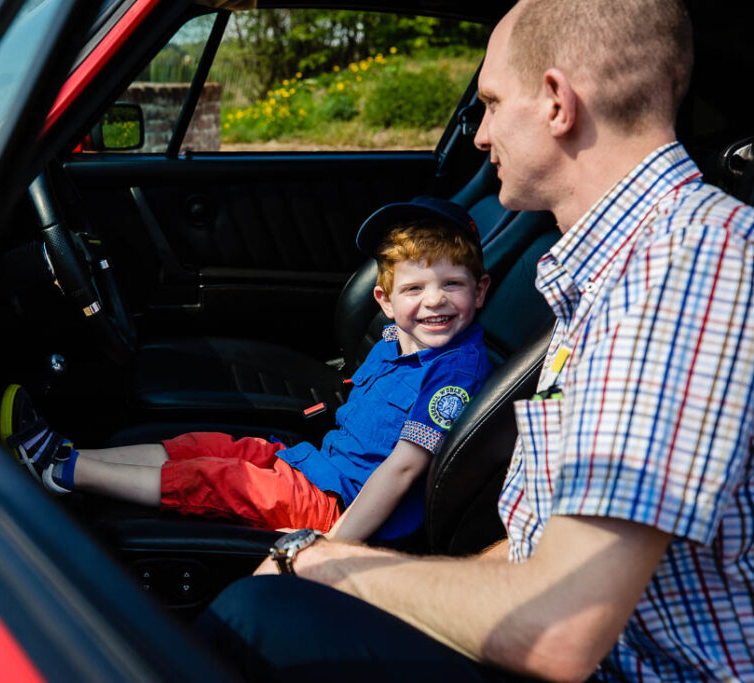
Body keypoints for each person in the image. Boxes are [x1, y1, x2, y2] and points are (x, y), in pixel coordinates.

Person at [198, 0, 754, 680]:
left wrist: (322, 562)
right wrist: (348, 564)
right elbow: (536, 548)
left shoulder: (684, 268)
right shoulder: (615, 268)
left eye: (490, 102)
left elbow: (563, 628)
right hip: (601, 649)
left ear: (556, 102)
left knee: (259, 617)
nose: (481, 134)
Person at [1, 196, 492, 541]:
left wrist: (338, 546)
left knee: (219, 479)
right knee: (212, 446)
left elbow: (404, 468)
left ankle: (61, 471)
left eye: (452, 284)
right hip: (318, 465)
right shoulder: (397, 339)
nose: (434, 301)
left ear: (481, 291)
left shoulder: (455, 373)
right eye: (414, 289)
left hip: (337, 507)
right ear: (384, 301)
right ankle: (76, 453)